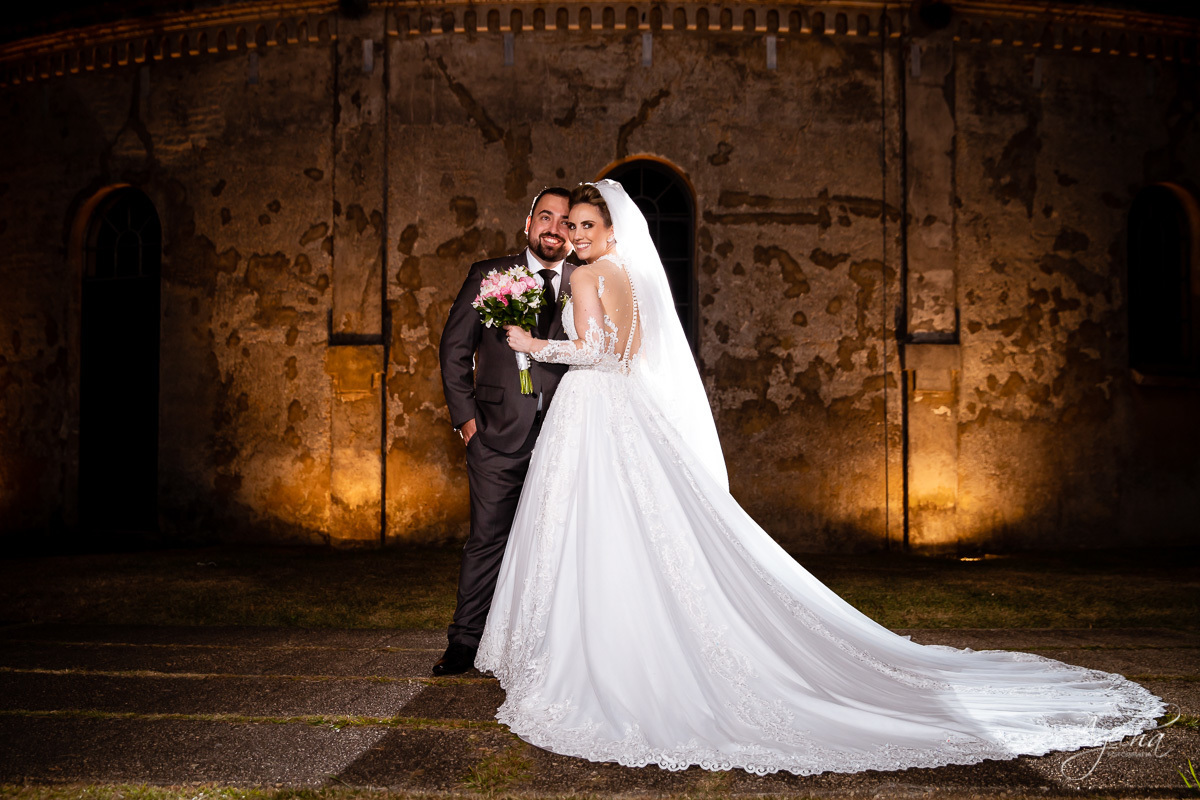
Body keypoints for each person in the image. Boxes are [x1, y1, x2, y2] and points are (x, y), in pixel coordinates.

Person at [473, 180, 1165, 775]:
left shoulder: (592, 275)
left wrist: (535, 345)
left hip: (594, 410)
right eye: (572, 226)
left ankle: (596, 653)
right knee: (621, 528)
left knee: (594, 529)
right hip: (617, 411)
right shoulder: (626, 272)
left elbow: (597, 354)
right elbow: (633, 352)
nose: (577, 234)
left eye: (587, 226)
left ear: (611, 228)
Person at [435, 187, 578, 676]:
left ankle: (543, 647)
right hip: (495, 434)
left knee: (558, 543)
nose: (555, 229)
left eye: (565, 221)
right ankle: (465, 642)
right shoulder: (490, 275)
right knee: (488, 539)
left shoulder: (588, 280)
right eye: (546, 217)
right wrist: (468, 421)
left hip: (566, 435)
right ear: (528, 222)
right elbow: (454, 349)